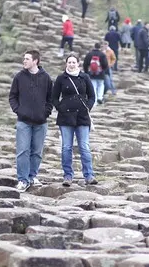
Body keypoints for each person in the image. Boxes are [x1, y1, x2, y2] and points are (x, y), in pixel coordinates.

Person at [9, 50, 53, 192]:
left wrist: (45, 113)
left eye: (27, 59)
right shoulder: (19, 77)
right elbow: (12, 97)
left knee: (37, 152)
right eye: (24, 58)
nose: (24, 61)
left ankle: (32, 176)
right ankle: (22, 180)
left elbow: (51, 98)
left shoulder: (46, 78)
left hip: (41, 122)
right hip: (24, 121)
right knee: (23, 151)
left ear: (35, 61)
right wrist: (19, 110)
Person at [51, 54, 98, 186]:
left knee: (84, 147)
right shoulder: (61, 78)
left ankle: (89, 175)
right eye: (69, 62)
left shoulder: (85, 77)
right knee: (66, 147)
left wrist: (88, 107)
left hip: (82, 116)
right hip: (65, 117)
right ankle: (67, 175)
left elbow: (92, 96)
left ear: (78, 64)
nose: (71, 64)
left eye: (74, 62)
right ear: (66, 64)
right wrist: (60, 107)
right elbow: (54, 97)